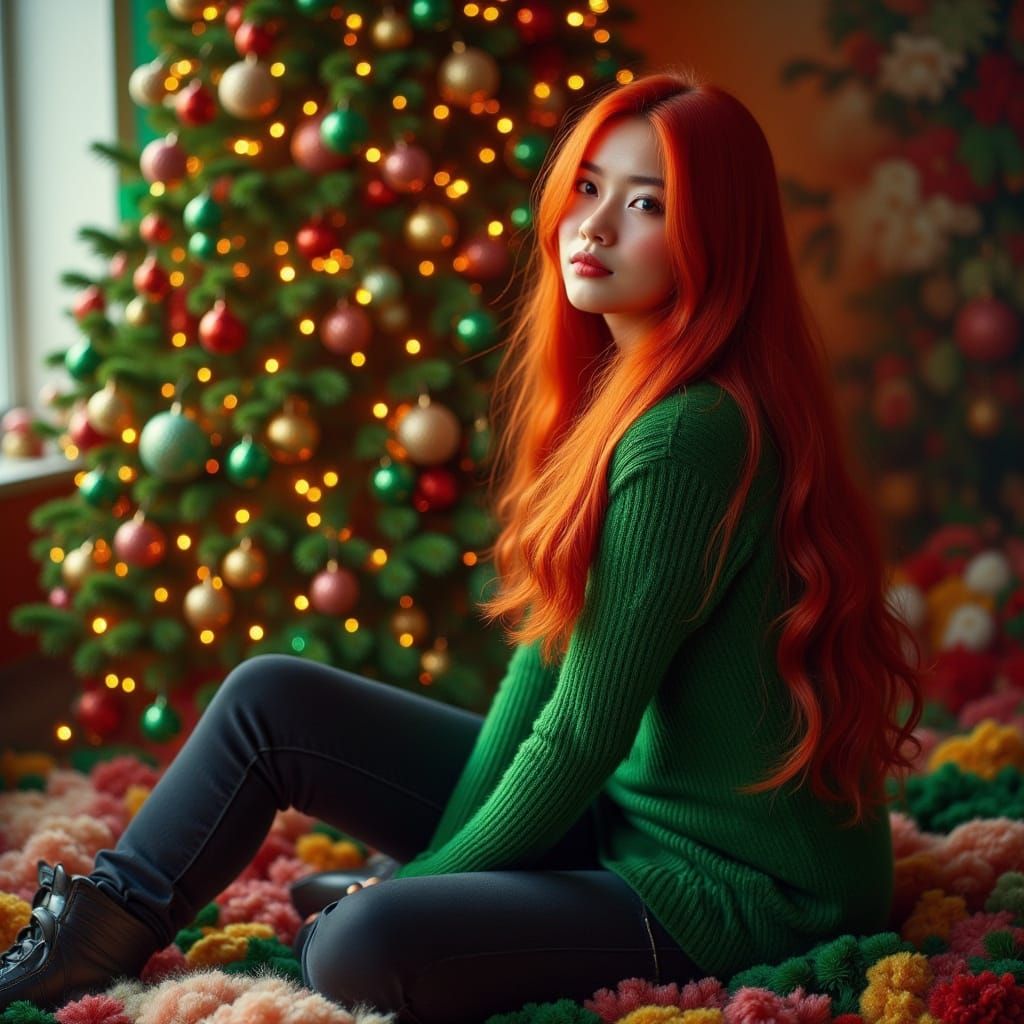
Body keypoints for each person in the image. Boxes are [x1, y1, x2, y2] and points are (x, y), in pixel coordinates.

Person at [0, 67, 924, 1023]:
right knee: (269, 698)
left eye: (646, 204)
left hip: (742, 887)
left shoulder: (693, 433)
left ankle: (384, 906)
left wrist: (414, 888)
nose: (594, 227)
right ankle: (99, 928)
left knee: (357, 945)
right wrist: (443, 865)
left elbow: (581, 730)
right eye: (589, 187)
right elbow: (543, 676)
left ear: (717, 237)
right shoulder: (629, 394)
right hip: (627, 816)